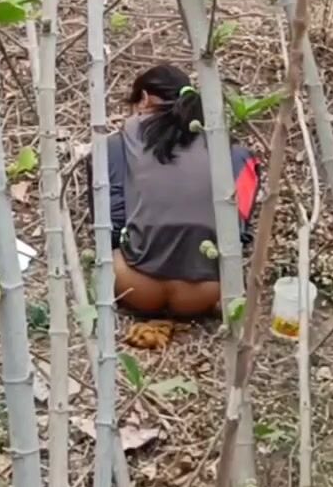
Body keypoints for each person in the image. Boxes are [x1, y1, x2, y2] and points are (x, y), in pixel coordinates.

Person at [85, 64, 260, 318]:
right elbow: (239, 230)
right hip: (205, 292)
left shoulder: (113, 147)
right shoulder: (231, 152)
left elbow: (111, 223)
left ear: (144, 99)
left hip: (135, 285)